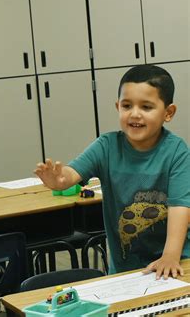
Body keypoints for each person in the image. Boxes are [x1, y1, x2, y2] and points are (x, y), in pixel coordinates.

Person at [35, 64, 189, 278]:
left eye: (146, 107)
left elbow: (180, 206)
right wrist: (60, 181)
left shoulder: (176, 151)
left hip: (176, 263)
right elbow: (71, 173)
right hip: (125, 268)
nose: (135, 114)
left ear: (168, 113)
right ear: (118, 107)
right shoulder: (106, 146)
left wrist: (170, 255)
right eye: (127, 106)